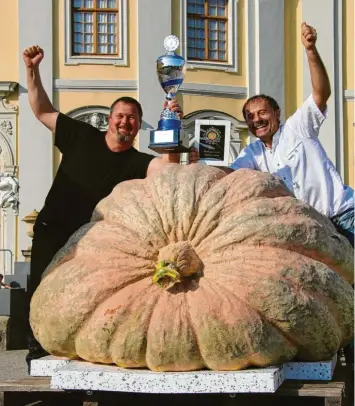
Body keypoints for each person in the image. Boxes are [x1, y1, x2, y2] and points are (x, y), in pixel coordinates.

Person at [22, 45, 188, 371]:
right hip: (54, 228)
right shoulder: (81, 135)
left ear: (139, 126)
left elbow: (169, 173)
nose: (125, 122)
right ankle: (36, 357)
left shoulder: (140, 162)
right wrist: (31, 70)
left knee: (83, 298)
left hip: (95, 244)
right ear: (110, 119)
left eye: (132, 118)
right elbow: (41, 110)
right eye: (120, 116)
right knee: (40, 290)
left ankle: (73, 354)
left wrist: (173, 129)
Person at [230, 22, 354, 247]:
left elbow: (321, 93)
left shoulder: (298, 126)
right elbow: (230, 174)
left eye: (262, 113)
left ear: (276, 114)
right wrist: (196, 163)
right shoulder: (253, 153)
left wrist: (310, 51)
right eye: (250, 116)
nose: (256, 120)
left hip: (345, 218)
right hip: (313, 231)